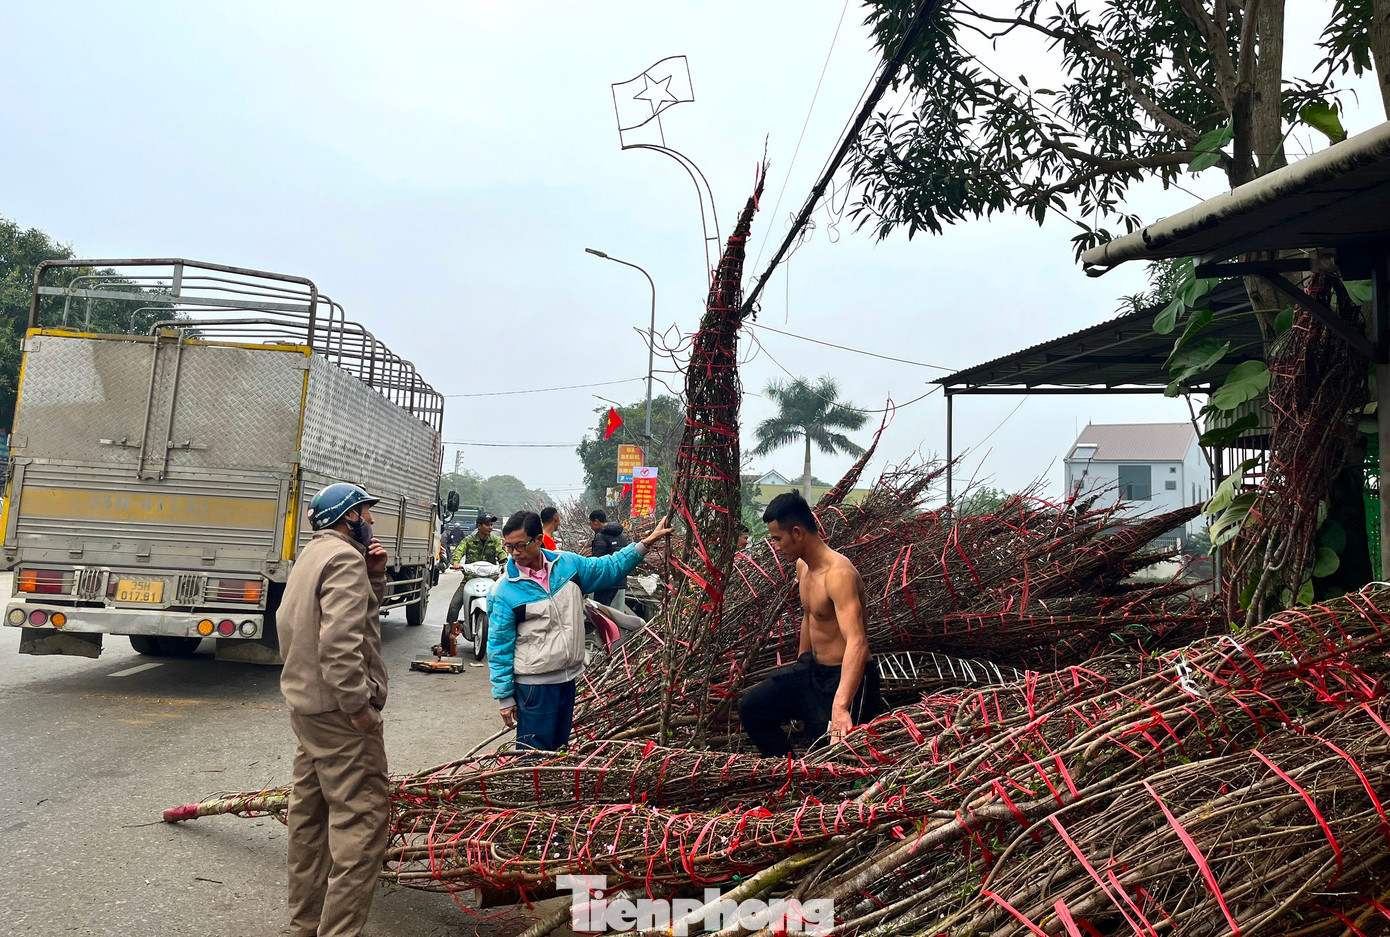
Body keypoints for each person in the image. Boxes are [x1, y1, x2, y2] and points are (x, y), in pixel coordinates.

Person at [277, 482, 390, 937]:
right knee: (362, 825)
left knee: (309, 819)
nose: (372, 522)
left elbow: (345, 619)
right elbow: (340, 646)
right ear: (349, 519)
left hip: (307, 710)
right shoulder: (343, 558)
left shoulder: (314, 554)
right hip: (340, 717)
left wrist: (375, 576)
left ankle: (303, 925)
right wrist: (359, 708)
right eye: (366, 514)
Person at [489, 509, 673, 751]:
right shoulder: (504, 590)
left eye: (520, 546)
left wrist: (646, 543)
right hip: (534, 687)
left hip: (567, 680)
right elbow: (499, 645)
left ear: (538, 540)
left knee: (560, 752)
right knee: (533, 759)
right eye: (508, 547)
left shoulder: (567, 565)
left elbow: (609, 567)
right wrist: (505, 696)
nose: (514, 553)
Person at [738, 491, 882, 755]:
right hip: (813, 670)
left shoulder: (839, 574)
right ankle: (787, 770)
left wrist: (840, 705)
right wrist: (803, 662)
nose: (777, 547)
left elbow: (857, 642)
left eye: (778, 539)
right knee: (753, 708)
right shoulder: (803, 567)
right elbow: (810, 615)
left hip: (846, 678)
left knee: (828, 753)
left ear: (798, 532)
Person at [443, 514, 505, 652]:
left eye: (491, 525)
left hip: (491, 580)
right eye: (487, 525)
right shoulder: (468, 540)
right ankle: (446, 643)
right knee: (454, 606)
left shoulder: (495, 541)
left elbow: (501, 554)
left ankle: (503, 643)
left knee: (504, 605)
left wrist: (504, 564)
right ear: (479, 526)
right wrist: (456, 563)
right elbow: (458, 552)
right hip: (469, 579)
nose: (490, 527)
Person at [588, 509, 631, 608]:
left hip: (606, 583)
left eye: (591, 523)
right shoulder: (621, 535)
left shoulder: (601, 536)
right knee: (618, 615)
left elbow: (597, 562)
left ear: (596, 521)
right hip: (621, 581)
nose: (590, 526)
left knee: (603, 615)